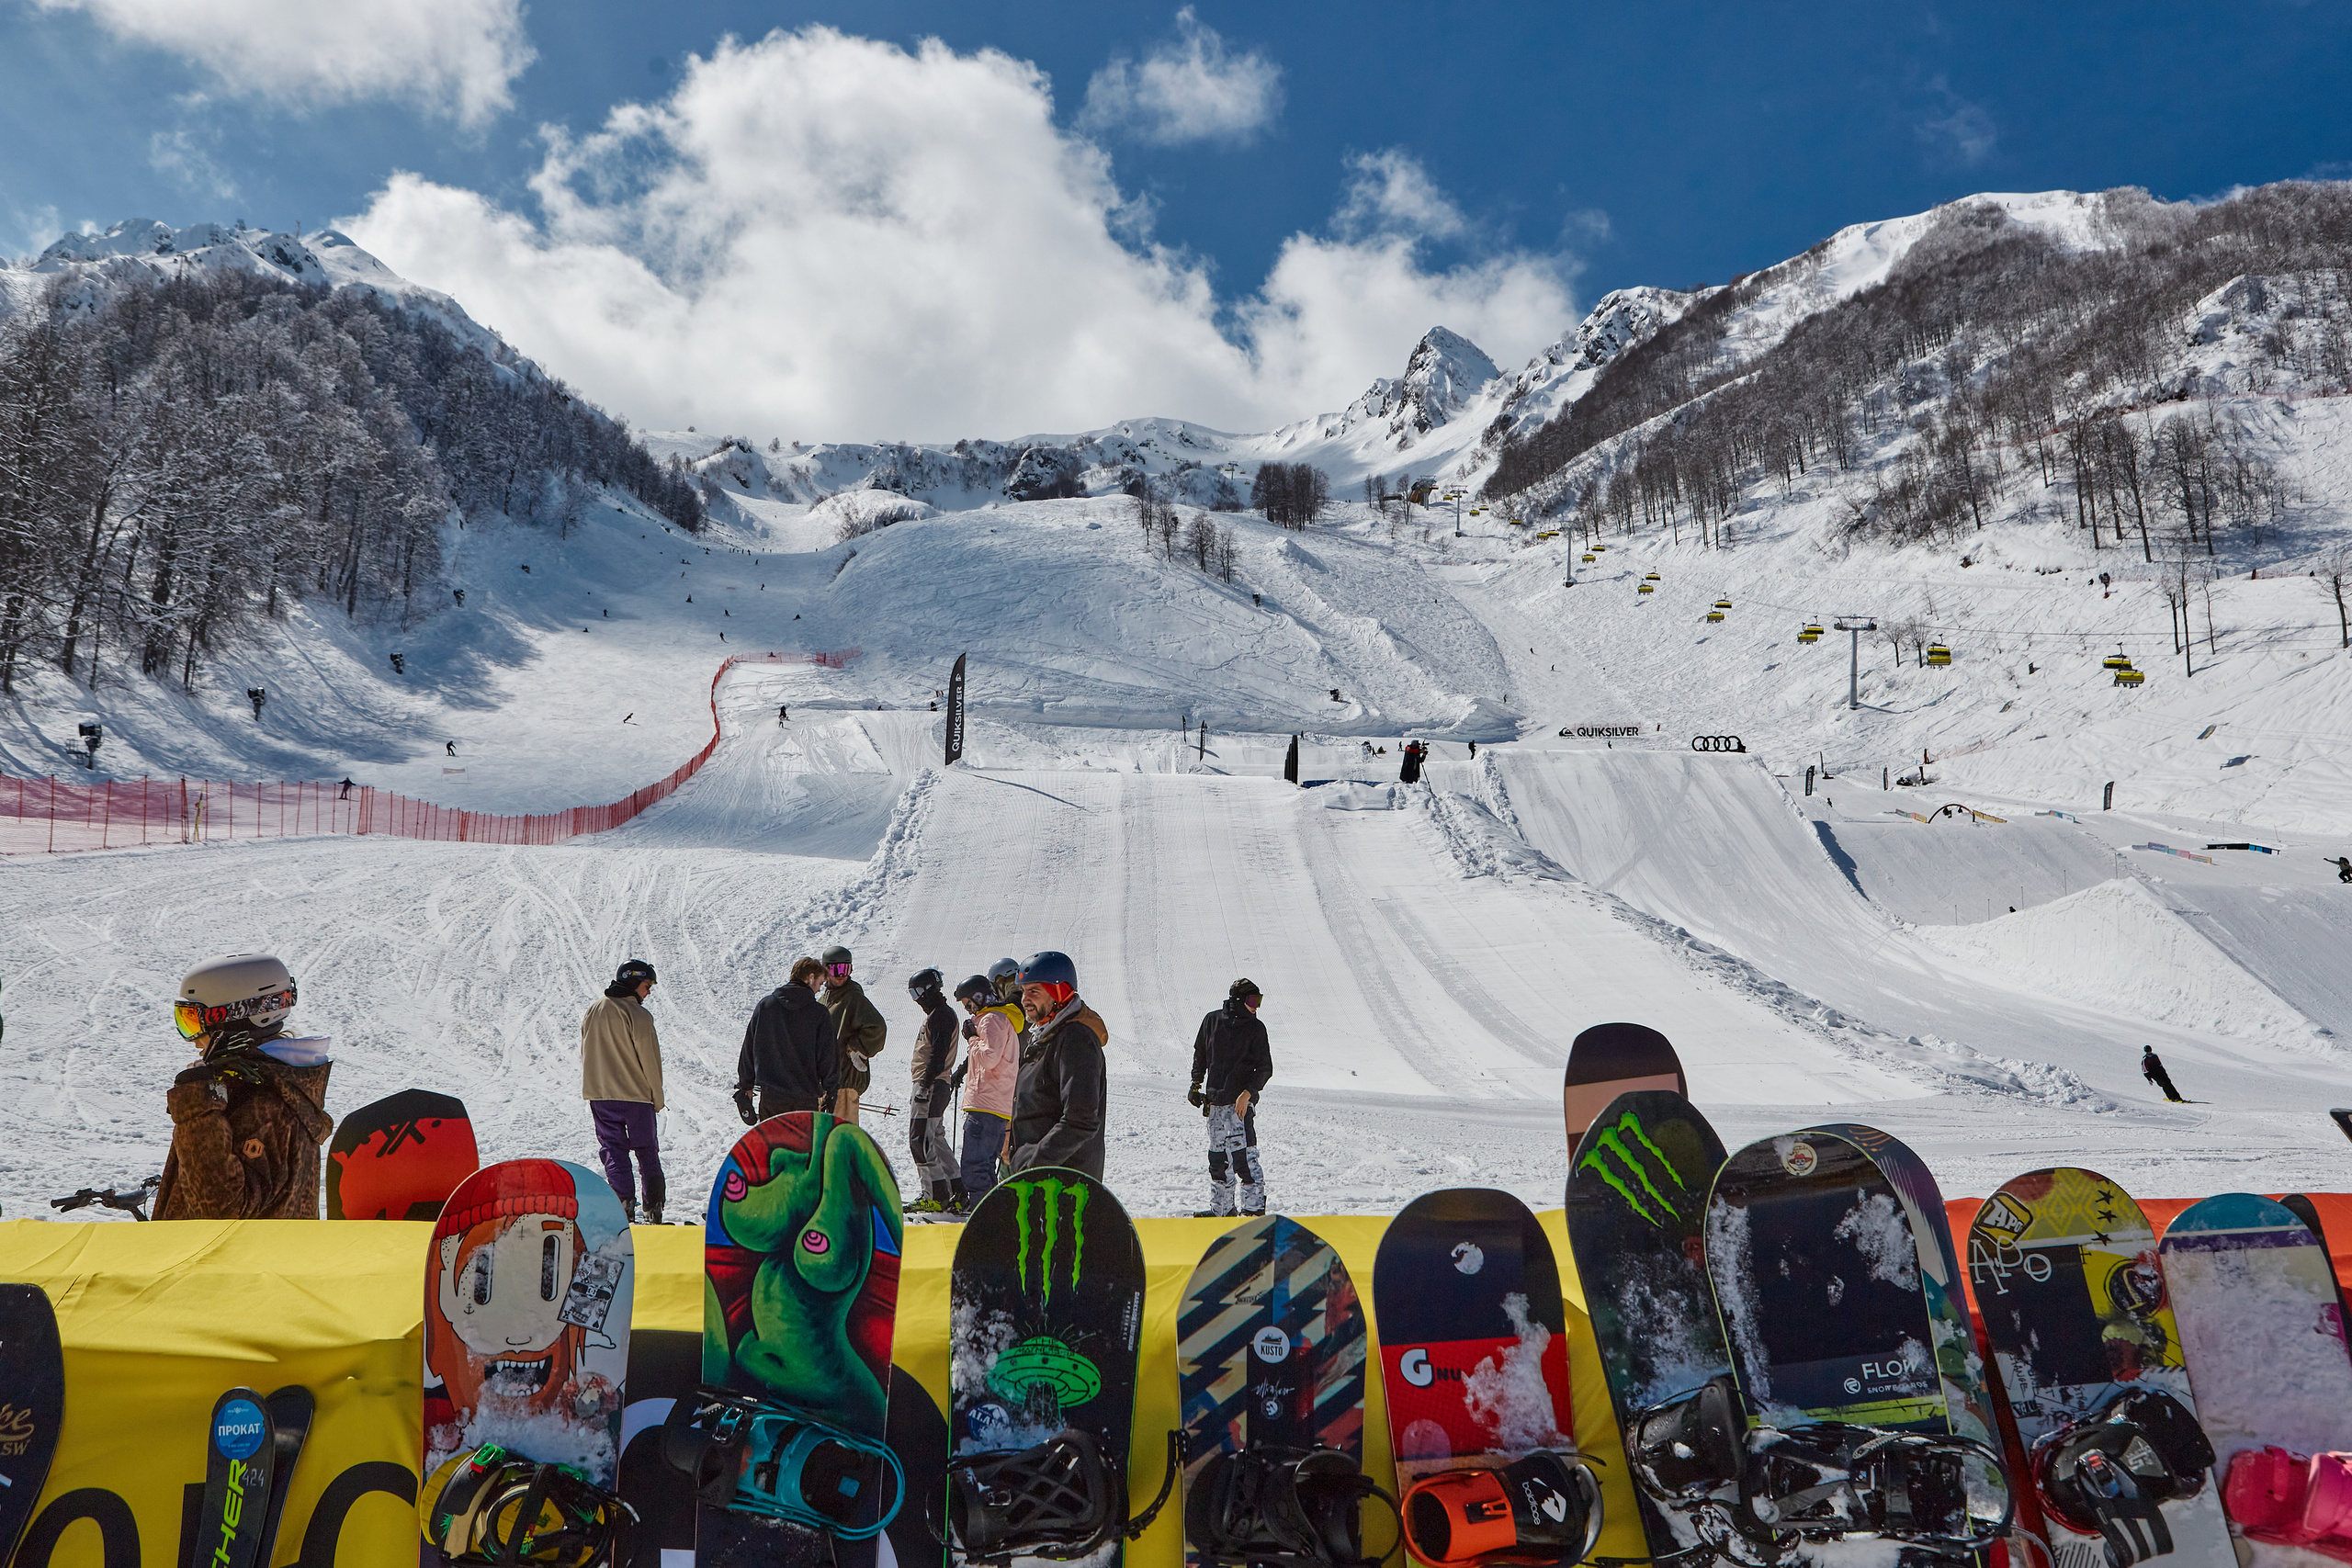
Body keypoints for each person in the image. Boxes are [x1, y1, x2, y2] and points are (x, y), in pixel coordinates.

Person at [154, 953, 334, 1220]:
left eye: (193, 1022)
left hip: (228, 1261)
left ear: (233, 1018)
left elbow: (218, 1213)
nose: (191, 1040)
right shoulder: (273, 1084)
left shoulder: (265, 1103)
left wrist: (197, 1112)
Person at [1008, 951, 1107, 1178]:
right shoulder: (1046, 1036)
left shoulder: (1076, 1039)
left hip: (1061, 1184)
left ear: (1059, 992)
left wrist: (1033, 1164)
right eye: (1023, 992)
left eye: (1034, 991)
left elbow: (1080, 1120)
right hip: (1042, 1178)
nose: (1024, 1000)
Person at [580, 959, 665, 1224]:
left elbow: (585, 1051)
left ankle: (623, 1204)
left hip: (601, 1096)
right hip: (636, 1097)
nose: (648, 991)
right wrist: (657, 1098)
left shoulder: (593, 1010)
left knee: (613, 1149)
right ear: (633, 981)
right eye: (646, 985)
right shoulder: (638, 1015)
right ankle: (654, 1206)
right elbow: (650, 1060)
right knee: (646, 1150)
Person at [1190, 978, 1272, 1216]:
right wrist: (1196, 1084)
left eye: (1259, 1000)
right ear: (1238, 1001)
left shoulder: (1256, 1028)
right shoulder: (1212, 1021)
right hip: (1215, 1104)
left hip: (1240, 1107)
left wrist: (1248, 1094)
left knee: (1244, 1160)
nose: (1256, 1006)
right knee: (1218, 1160)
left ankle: (1253, 1211)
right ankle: (1222, 1211)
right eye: (1252, 1000)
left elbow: (1265, 1068)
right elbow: (1201, 1053)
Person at [736, 957, 842, 1122]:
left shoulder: (765, 1006)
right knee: (802, 1147)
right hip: (805, 1100)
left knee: (775, 1145)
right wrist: (831, 1090)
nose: (819, 990)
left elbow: (749, 1049)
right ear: (810, 977)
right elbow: (828, 1056)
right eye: (820, 984)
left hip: (771, 1099)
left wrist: (745, 1087)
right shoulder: (819, 1013)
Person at [951, 975, 1017, 1207]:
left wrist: (971, 1039)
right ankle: (990, 1213)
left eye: (969, 1003)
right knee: (985, 1165)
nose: (968, 1010)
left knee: (975, 1166)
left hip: (985, 1105)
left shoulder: (991, 1020)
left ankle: (982, 1215)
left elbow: (989, 1058)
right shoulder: (1001, 1019)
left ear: (980, 997)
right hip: (996, 1105)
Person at [905, 968, 964, 1213]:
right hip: (937, 1084)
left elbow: (937, 1057)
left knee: (920, 1139)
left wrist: (925, 1084)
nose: (917, 999)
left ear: (929, 990)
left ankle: (935, 1194)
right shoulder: (940, 1014)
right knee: (935, 1138)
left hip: (931, 1083)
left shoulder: (940, 1015)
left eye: (918, 992)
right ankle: (955, 1190)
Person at [820, 945, 887, 1124]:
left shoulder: (853, 998)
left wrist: (857, 1047)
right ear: (824, 970)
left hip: (844, 1084)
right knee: (823, 1141)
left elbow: (877, 1027)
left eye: (846, 969)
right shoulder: (825, 1000)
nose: (842, 974)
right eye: (836, 969)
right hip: (825, 1085)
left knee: (840, 1140)